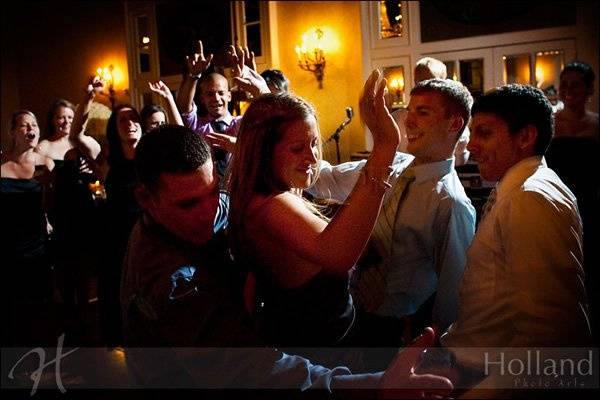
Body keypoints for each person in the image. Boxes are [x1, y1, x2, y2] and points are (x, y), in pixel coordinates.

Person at [121, 123, 453, 397]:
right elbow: (248, 371)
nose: (208, 213)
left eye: (212, 193)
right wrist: (373, 385)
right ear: (144, 198)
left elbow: (228, 202)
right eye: (189, 205)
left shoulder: (203, 206)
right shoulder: (170, 280)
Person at [227, 70, 400, 361]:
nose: (311, 157)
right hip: (319, 355)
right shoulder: (273, 205)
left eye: (314, 143)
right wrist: (385, 145)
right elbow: (340, 254)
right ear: (263, 151)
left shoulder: (281, 193)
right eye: (297, 148)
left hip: (320, 342)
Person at [437, 84, 591, 388]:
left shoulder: (530, 198)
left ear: (525, 137)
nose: (472, 147)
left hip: (483, 375)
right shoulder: (520, 189)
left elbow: (553, 339)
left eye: (485, 133)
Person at [310, 79, 476, 351]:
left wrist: (434, 353)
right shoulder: (391, 162)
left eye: (423, 113)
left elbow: (453, 297)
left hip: (393, 331)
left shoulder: (451, 203)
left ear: (454, 124)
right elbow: (326, 179)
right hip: (345, 307)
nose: (409, 121)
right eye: (410, 111)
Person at [1, 110, 54, 345]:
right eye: (24, 125)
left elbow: (51, 204)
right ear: (12, 132)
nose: (31, 129)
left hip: (36, 245)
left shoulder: (46, 164)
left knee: (38, 306)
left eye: (34, 124)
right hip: (7, 245)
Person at [97, 103, 144, 346]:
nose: (129, 124)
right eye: (122, 121)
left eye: (133, 118)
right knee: (118, 294)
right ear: (114, 130)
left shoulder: (150, 160)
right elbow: (76, 137)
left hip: (146, 237)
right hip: (117, 238)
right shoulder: (108, 160)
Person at [176, 40, 240, 177]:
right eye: (210, 94)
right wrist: (194, 76)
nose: (216, 98)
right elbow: (182, 107)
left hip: (238, 192)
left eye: (221, 93)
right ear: (201, 99)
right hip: (206, 191)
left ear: (229, 96)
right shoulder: (197, 125)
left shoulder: (242, 123)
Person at [392, 57, 470, 166]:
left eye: (430, 81)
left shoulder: (452, 122)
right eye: (419, 81)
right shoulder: (396, 118)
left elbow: (460, 159)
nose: (424, 86)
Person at [554, 60, 599, 141]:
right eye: (564, 84)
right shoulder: (548, 124)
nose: (568, 90)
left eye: (575, 85)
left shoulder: (596, 124)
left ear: (589, 89)